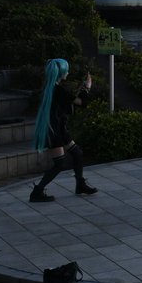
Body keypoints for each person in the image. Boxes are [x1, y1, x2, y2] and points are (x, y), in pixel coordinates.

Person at [30, 58, 97, 203]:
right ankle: (37, 192)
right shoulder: (58, 90)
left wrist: (80, 91)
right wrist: (87, 87)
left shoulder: (51, 89)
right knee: (59, 164)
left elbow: (67, 103)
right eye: (66, 70)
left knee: (77, 153)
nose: (68, 72)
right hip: (54, 131)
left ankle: (80, 184)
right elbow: (81, 103)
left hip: (58, 129)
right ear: (60, 73)